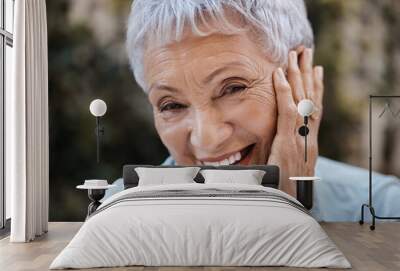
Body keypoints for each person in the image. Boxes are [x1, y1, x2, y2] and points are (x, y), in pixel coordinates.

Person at [105, 0, 400, 222]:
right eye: (172, 105)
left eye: (233, 88)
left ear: (300, 75)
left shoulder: (384, 208)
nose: (206, 141)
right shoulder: (117, 213)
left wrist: (293, 206)